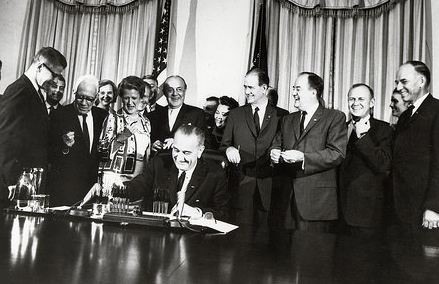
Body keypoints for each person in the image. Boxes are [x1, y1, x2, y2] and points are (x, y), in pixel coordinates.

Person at [0, 47, 67, 202]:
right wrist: (11, 180)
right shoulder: (19, 90)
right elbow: (6, 138)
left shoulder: (34, 92)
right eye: (54, 74)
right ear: (39, 67)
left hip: (24, 181)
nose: (54, 80)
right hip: (10, 185)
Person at [270, 72, 346, 232]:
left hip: (316, 205)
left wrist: (304, 158)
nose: (293, 93)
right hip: (286, 202)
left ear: (313, 92)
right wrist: (274, 152)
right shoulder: (287, 119)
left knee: (311, 254)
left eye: (298, 89)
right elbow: (276, 144)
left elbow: (337, 153)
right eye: (293, 89)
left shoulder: (334, 117)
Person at [220, 68, 288, 227]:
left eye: (251, 87)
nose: (247, 91)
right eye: (245, 87)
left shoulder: (283, 116)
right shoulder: (235, 115)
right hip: (242, 187)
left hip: (271, 189)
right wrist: (229, 149)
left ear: (264, 88)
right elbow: (224, 145)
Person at [124, 124, 229, 220]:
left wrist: (198, 212)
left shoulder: (214, 174)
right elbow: (136, 187)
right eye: (176, 150)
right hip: (158, 232)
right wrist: (116, 189)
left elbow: (224, 213)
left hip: (192, 237)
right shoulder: (159, 163)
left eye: (186, 153)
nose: (179, 158)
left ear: (200, 151)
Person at [393, 61, 439, 235]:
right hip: (401, 210)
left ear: (421, 81)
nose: (399, 87)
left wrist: (434, 206)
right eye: (397, 83)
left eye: (404, 81)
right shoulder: (405, 116)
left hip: (424, 212)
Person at [338, 84, 393, 236]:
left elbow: (383, 164)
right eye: (352, 99)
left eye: (361, 99)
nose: (356, 103)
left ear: (372, 102)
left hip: (367, 213)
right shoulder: (340, 128)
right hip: (338, 212)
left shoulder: (385, 130)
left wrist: (363, 136)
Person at [48, 75, 107, 206]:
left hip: (92, 193)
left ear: (96, 98)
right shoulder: (59, 115)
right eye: (80, 97)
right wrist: (64, 146)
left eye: (89, 99)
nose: (84, 103)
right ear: (74, 92)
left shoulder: (102, 117)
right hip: (66, 191)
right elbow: (48, 153)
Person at [99, 75, 152, 190]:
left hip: (138, 181)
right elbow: (102, 152)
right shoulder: (113, 118)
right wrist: (121, 137)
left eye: (134, 98)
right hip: (116, 179)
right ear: (121, 98)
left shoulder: (146, 122)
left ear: (140, 98)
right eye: (126, 98)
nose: (130, 102)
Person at [148, 75, 206, 152]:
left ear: (185, 90)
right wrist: (151, 146)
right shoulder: (153, 115)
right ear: (165, 92)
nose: (175, 94)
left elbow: (204, 144)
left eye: (179, 89)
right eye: (170, 90)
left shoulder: (197, 114)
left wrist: (179, 143)